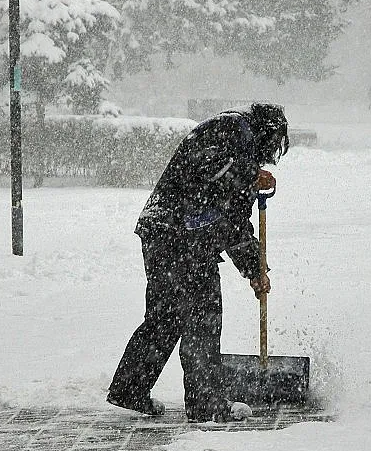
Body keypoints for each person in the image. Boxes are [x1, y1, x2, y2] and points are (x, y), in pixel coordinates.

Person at [107, 103, 289, 423]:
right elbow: (204, 163)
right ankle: (206, 405)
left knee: (165, 318)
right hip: (180, 237)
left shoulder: (241, 152)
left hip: (165, 231)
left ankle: (130, 388)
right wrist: (249, 174)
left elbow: (234, 223)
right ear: (265, 133)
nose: (269, 156)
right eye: (272, 147)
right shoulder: (231, 128)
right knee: (203, 317)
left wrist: (255, 269)